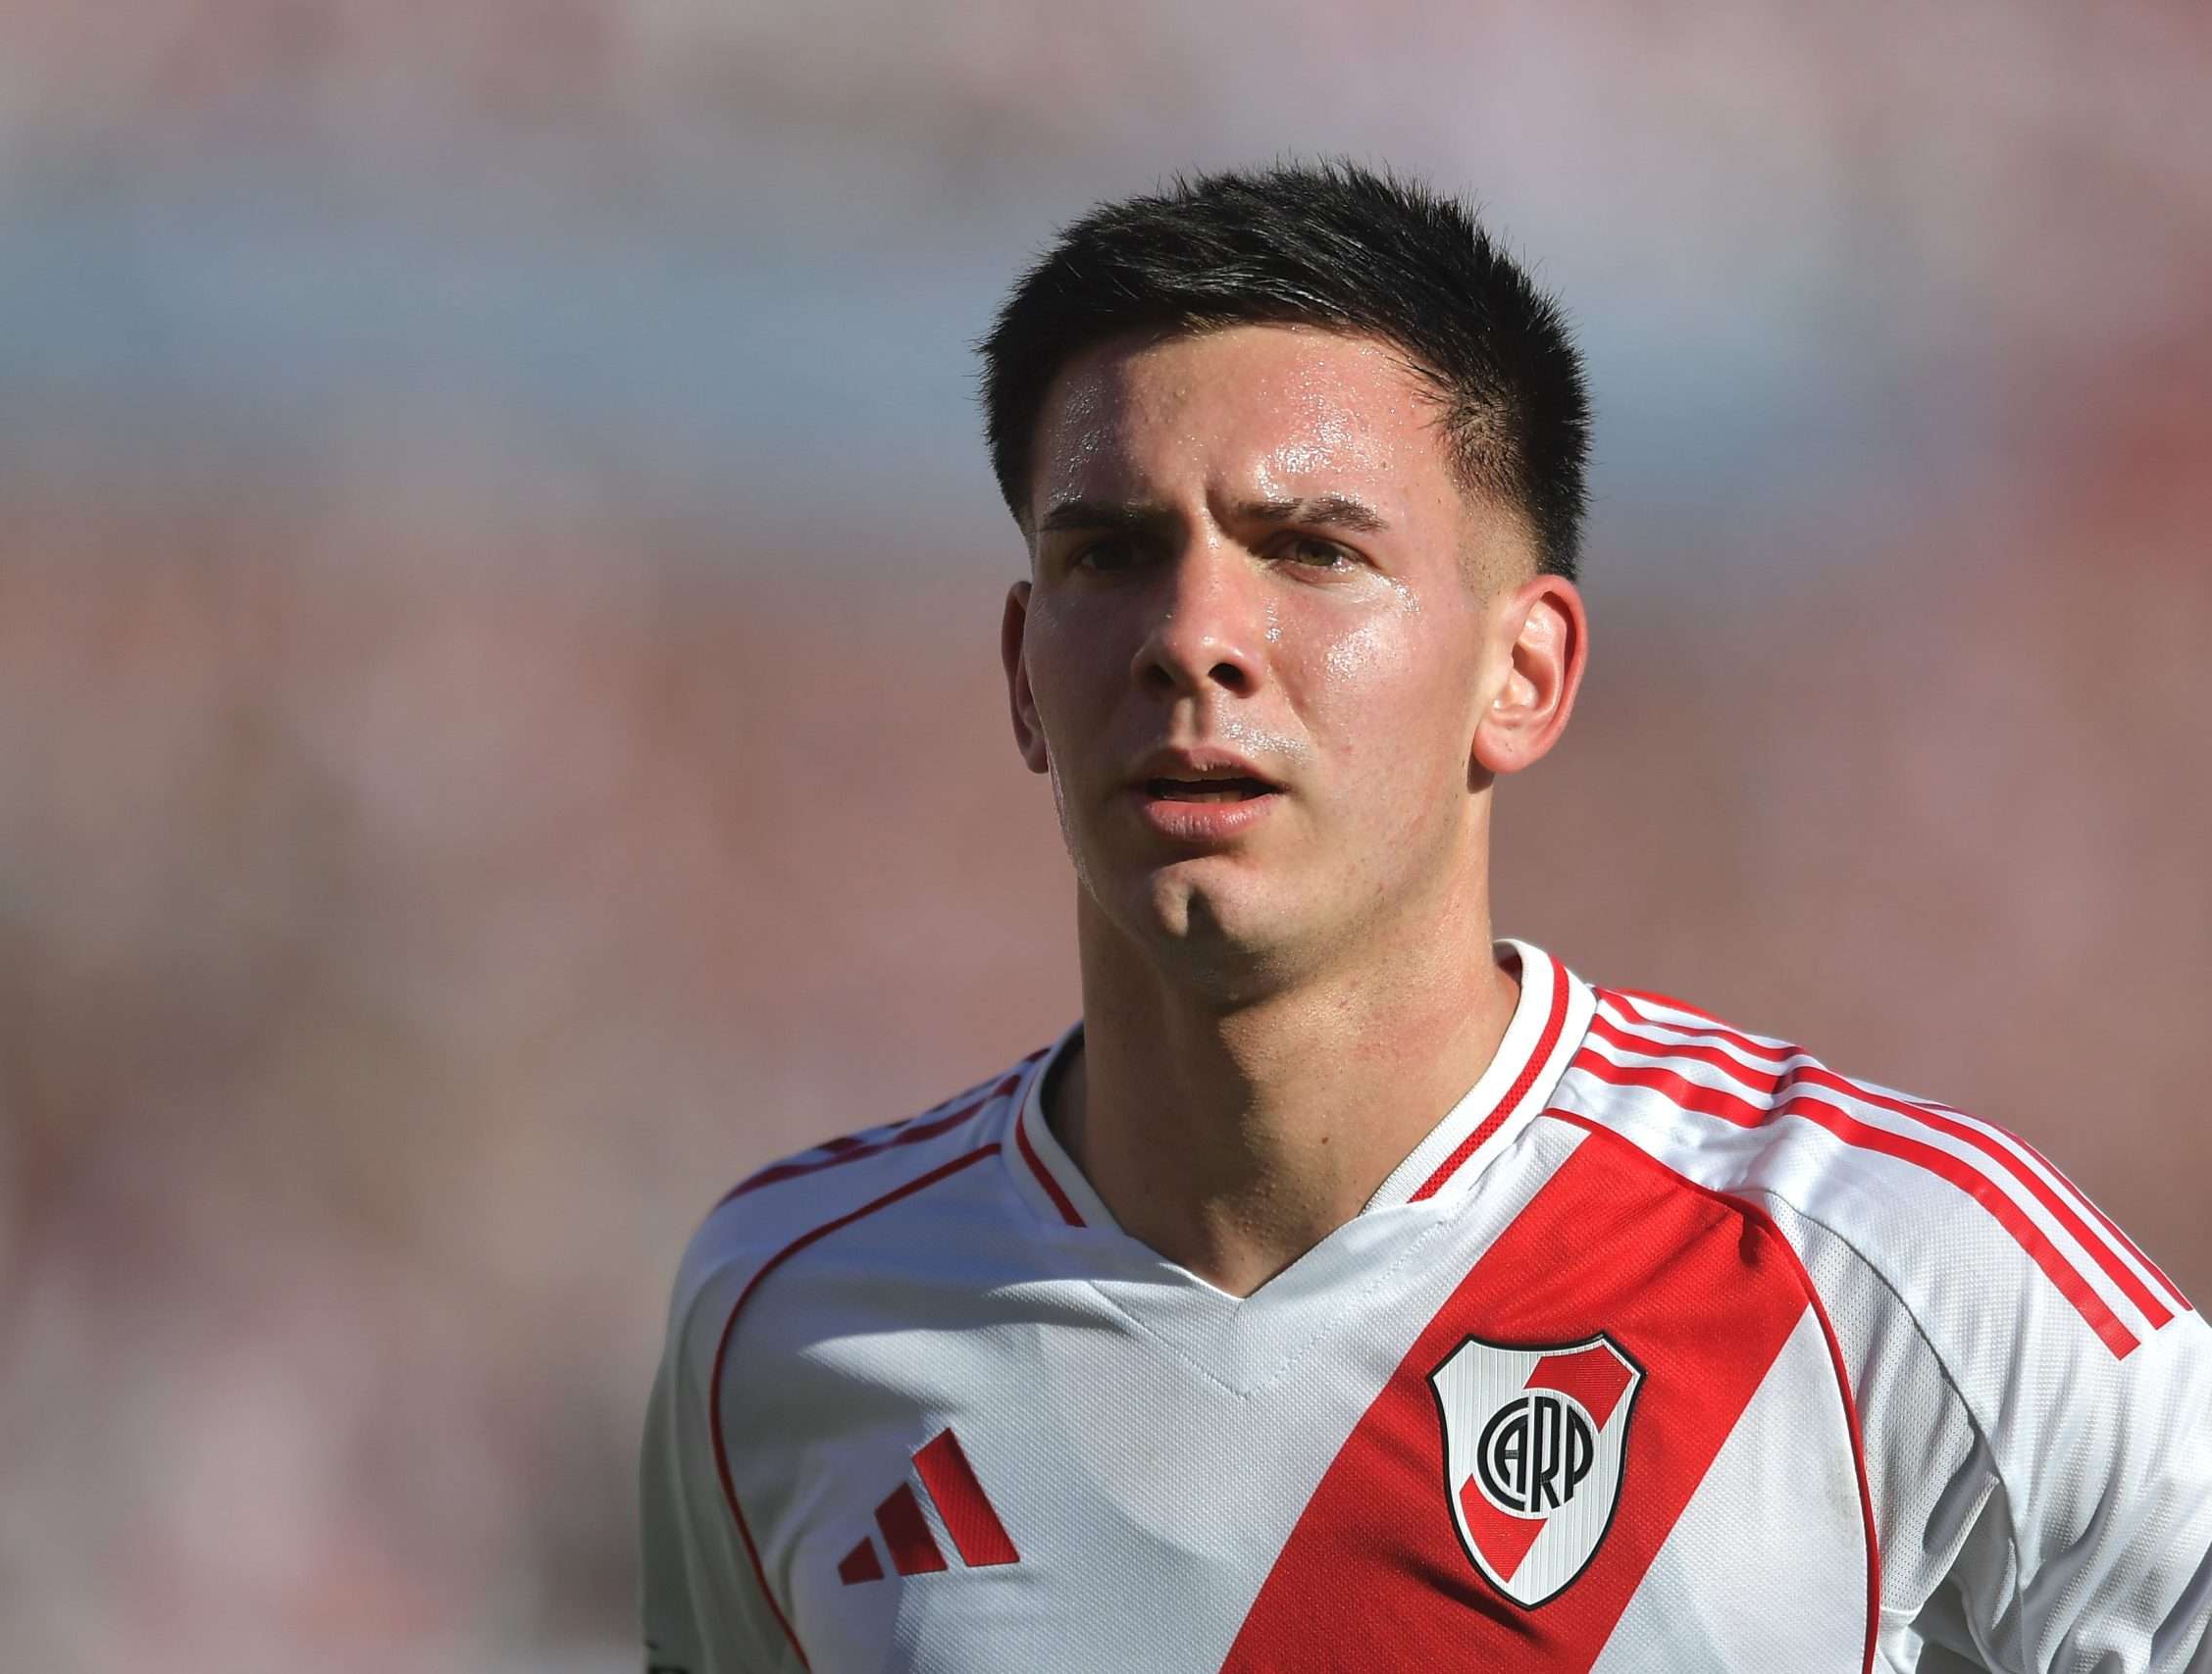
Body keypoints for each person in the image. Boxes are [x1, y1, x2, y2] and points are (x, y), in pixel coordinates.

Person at [637, 162, 2211, 1672]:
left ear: (1522, 673)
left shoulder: (1889, 1280)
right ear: (1021, 671)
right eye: (1111, 553)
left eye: (1312, 552)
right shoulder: (789, 1318)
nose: (1195, 638)